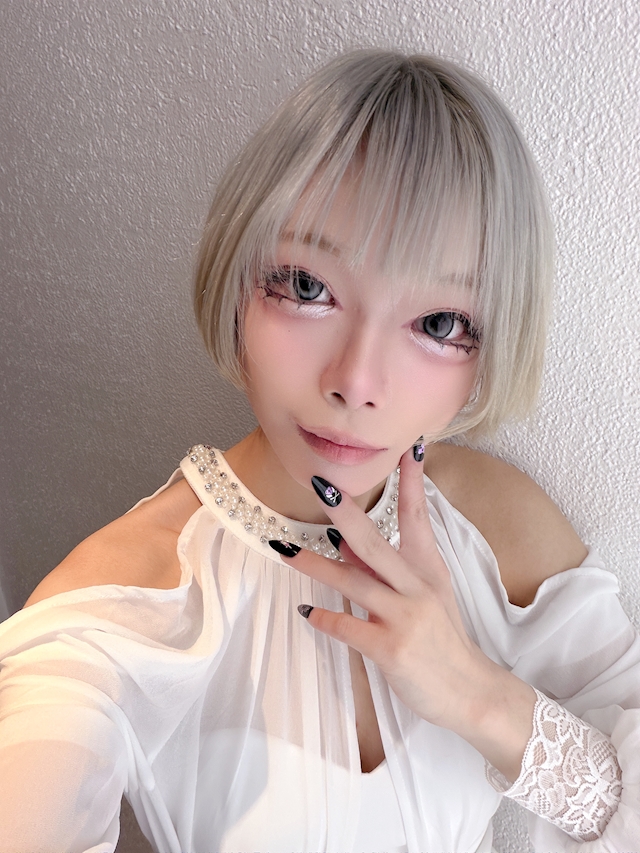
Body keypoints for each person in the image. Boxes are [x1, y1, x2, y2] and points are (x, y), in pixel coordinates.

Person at [0, 49, 638, 853]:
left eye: (439, 323)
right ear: (238, 282)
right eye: (307, 287)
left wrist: (477, 695)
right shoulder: (123, 598)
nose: (356, 382)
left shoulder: (500, 528)